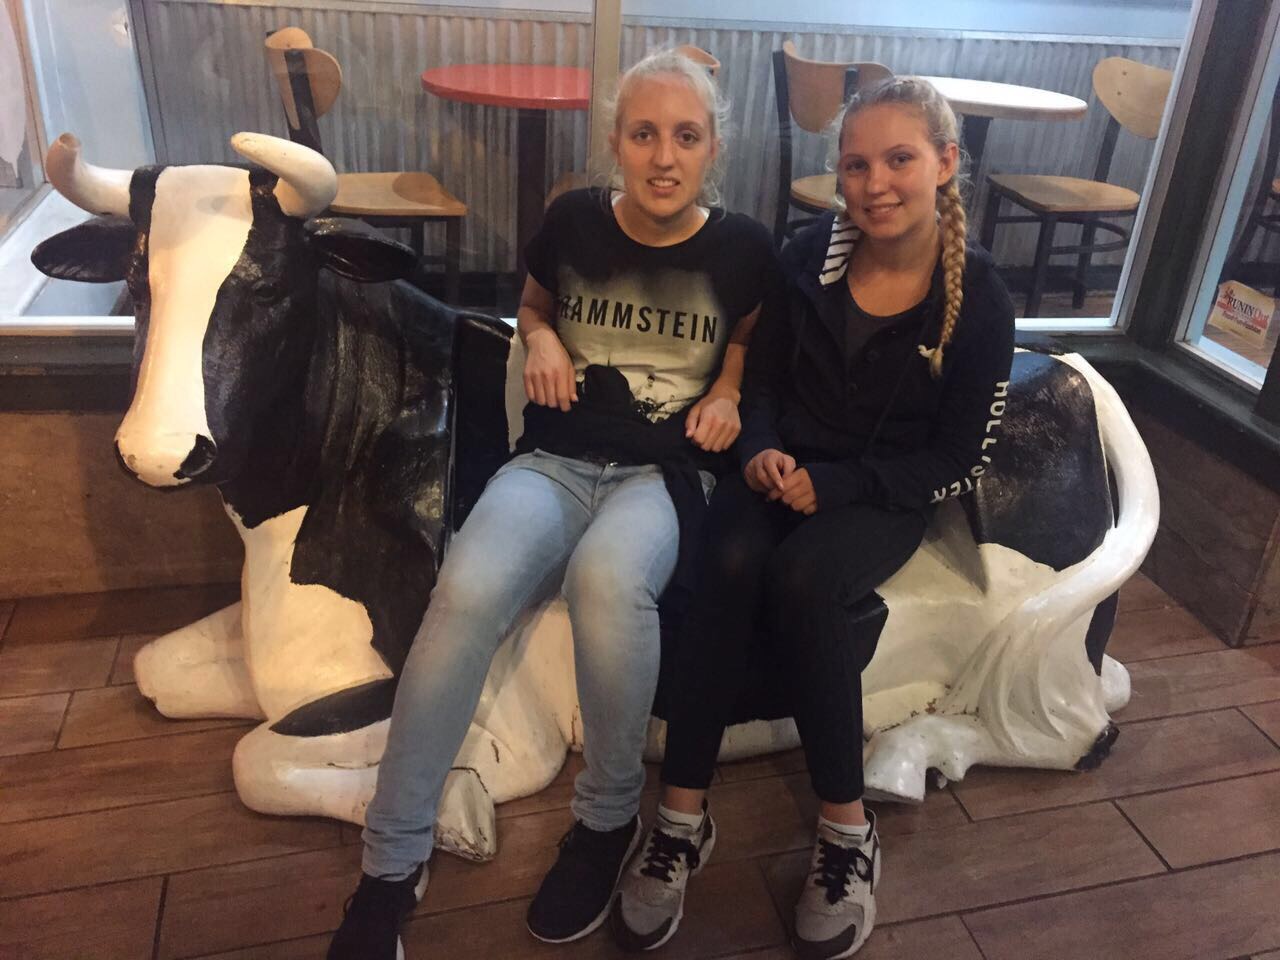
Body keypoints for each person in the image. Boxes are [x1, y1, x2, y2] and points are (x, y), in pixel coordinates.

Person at [326, 48, 778, 960]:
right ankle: (391, 864)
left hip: (664, 473)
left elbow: (745, 341)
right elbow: (534, 306)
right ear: (614, 141)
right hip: (556, 460)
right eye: (643, 134)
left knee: (610, 580)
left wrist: (729, 389)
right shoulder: (572, 221)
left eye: (685, 137)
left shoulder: (743, 248)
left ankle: (607, 820)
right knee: (465, 591)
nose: (663, 157)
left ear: (714, 149)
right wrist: (538, 339)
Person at [611, 76, 1016, 959]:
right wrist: (759, 447)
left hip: (879, 492)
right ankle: (681, 815)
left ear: (945, 163)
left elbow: (957, 459)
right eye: (856, 165)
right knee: (725, 559)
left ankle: (845, 828)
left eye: (900, 159)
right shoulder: (804, 256)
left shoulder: (979, 300)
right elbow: (758, 383)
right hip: (780, 468)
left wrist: (836, 486)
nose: (876, 184)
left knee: (803, 576)